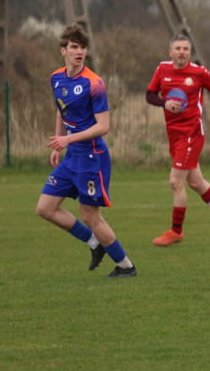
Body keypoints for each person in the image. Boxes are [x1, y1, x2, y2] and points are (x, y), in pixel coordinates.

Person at [35, 24, 136, 278]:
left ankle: (126, 266)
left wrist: (68, 140)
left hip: (92, 156)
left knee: (90, 215)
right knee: (45, 207)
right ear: (63, 51)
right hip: (71, 157)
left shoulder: (94, 83)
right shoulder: (56, 77)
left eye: (83, 48)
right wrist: (60, 139)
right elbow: (61, 108)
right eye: (74, 47)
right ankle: (94, 244)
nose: (79, 52)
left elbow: (104, 127)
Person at [146, 34, 210, 246]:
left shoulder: (199, 72)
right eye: (178, 48)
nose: (182, 52)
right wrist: (164, 103)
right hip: (174, 134)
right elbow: (149, 95)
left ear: (189, 52)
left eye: (185, 49)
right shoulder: (162, 69)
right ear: (170, 52)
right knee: (196, 182)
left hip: (191, 133)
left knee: (175, 181)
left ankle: (176, 231)